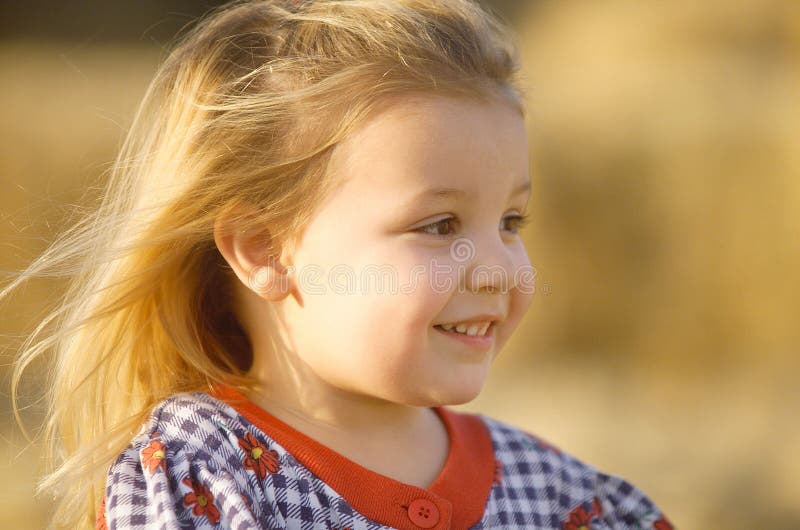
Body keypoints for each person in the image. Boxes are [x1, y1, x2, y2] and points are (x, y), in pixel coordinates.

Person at [6, 0, 674, 528]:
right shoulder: (203, 474)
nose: (497, 268)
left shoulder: (558, 496)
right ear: (265, 249)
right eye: (439, 225)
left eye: (510, 222)